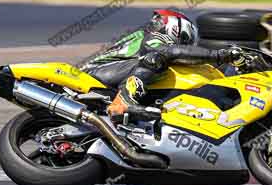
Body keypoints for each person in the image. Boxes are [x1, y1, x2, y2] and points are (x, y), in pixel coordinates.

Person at [81, 9, 244, 118]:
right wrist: (218, 55)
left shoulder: (146, 38)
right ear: (177, 29)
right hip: (95, 74)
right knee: (156, 58)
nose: (185, 46)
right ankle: (122, 101)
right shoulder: (154, 37)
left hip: (108, 75)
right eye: (185, 40)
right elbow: (172, 52)